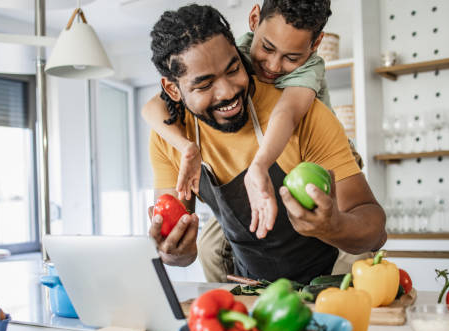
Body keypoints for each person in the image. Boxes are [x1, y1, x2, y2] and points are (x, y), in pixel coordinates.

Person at [147, 4, 386, 284]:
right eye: (204, 84)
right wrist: (174, 253)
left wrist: (335, 225)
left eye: (233, 69)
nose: (227, 92)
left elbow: (376, 232)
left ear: (239, 55)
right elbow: (179, 248)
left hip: (330, 286)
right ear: (173, 89)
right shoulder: (170, 135)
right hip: (253, 292)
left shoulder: (306, 113)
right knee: (210, 245)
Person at [142, 0, 333, 240]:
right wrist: (187, 147)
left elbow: (287, 114)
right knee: (210, 247)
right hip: (261, 167)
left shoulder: (311, 68)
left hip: (316, 158)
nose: (273, 66)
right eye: (267, 48)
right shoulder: (235, 49)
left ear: (315, 44)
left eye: (291, 58)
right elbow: (151, 107)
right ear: (254, 21)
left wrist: (260, 164)